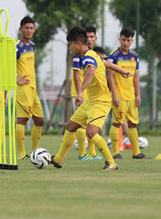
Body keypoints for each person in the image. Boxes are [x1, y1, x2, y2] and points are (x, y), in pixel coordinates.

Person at [50, 27, 131, 171]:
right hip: (91, 101)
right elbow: (106, 63)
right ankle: (58, 159)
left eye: (71, 45)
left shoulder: (87, 57)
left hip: (101, 102)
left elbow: (90, 72)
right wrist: (122, 71)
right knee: (71, 126)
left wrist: (80, 92)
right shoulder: (92, 54)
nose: (70, 48)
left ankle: (111, 162)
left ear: (78, 43)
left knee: (91, 132)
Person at [107, 28, 146, 159]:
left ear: (132, 41)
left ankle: (136, 153)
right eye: (123, 40)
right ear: (120, 39)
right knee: (117, 123)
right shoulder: (113, 56)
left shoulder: (134, 56)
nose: (125, 43)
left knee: (133, 124)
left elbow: (136, 76)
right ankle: (115, 153)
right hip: (119, 96)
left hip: (131, 96)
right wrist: (114, 95)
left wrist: (138, 95)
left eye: (128, 40)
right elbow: (110, 76)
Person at [15, 16, 45, 160]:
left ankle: (34, 152)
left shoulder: (32, 45)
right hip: (23, 89)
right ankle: (21, 154)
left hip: (33, 88)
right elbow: (7, 65)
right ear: (20, 29)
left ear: (34, 30)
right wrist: (16, 80)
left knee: (39, 121)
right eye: (26, 28)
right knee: (22, 120)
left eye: (31, 28)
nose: (29, 30)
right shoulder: (17, 47)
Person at [72, 26, 99, 160]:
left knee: (91, 122)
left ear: (95, 38)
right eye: (87, 37)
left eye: (91, 37)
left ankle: (92, 153)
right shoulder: (78, 55)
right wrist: (79, 93)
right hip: (81, 91)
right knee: (82, 123)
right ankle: (82, 153)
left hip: (90, 92)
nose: (89, 39)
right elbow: (76, 75)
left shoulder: (92, 54)